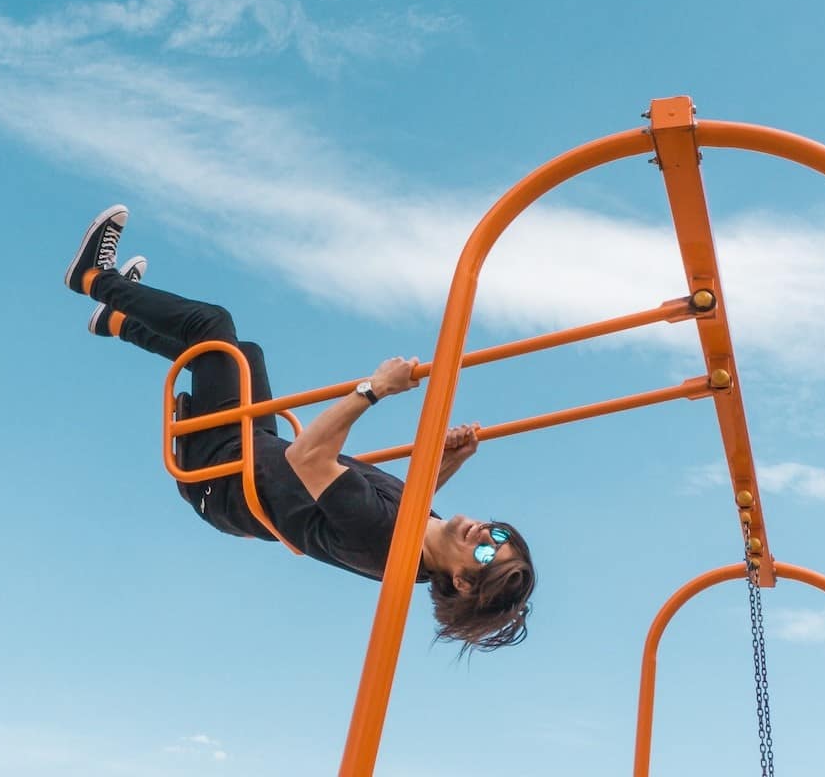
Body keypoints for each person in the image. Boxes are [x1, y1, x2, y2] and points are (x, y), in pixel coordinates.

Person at [65, 205, 535, 653]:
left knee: (213, 326)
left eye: (486, 555)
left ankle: (92, 278)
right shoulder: (418, 536)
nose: (484, 535)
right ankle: (120, 320)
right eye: (498, 535)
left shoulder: (383, 539)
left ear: (461, 580)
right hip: (251, 455)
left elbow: (308, 458)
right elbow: (405, 494)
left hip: (225, 472)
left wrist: (375, 389)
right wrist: (449, 459)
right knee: (242, 355)